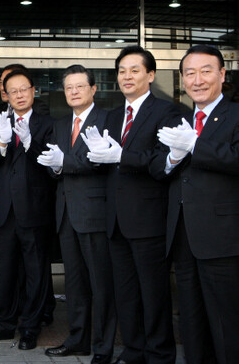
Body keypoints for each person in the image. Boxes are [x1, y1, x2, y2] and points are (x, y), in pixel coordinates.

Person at [84, 46, 179, 364]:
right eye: (122, 70)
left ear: (150, 75)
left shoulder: (167, 112)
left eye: (134, 70)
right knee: (125, 291)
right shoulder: (112, 115)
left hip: (148, 217)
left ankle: (159, 353)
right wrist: (97, 155)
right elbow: (107, 165)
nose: (127, 76)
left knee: (153, 293)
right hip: (116, 220)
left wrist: (121, 155)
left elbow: (162, 162)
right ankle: (135, 349)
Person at [158, 45, 239, 364]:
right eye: (189, 73)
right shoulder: (182, 117)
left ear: (222, 74)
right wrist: (171, 159)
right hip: (184, 236)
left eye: (206, 70)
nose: (198, 79)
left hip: (223, 238)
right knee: (191, 321)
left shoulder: (234, 114)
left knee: (226, 323)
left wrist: (196, 145)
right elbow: (168, 170)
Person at [39, 65, 116, 364]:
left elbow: (99, 161)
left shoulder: (107, 119)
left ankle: (104, 347)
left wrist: (65, 162)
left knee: (101, 283)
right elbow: (54, 167)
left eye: (79, 86)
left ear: (93, 89)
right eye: (68, 87)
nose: (73, 92)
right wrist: (56, 166)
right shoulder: (60, 125)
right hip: (66, 214)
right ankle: (78, 340)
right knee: (74, 282)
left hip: (95, 213)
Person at [0, 69, 55, 350]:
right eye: (14, 91)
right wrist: (0, 142)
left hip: (34, 209)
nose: (20, 95)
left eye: (24, 89)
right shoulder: (0, 122)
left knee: (35, 272)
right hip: (4, 209)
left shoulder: (48, 124)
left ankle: (30, 328)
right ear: (6, 95)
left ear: (33, 91)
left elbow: (51, 165)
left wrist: (30, 142)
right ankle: (3, 324)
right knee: (6, 271)